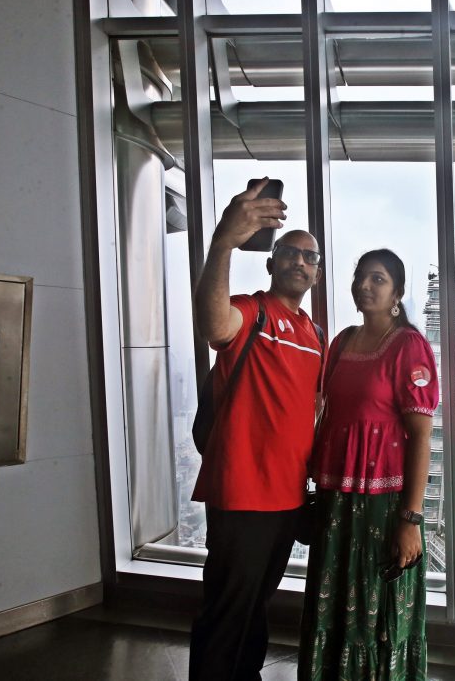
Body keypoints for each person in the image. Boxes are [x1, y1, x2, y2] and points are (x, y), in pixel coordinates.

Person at [188, 178, 325, 681]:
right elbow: (214, 326)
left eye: (310, 258)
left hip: (287, 498)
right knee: (227, 610)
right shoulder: (254, 311)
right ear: (271, 262)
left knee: (256, 606)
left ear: (316, 273)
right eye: (290, 252)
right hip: (242, 493)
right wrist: (224, 240)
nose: (300, 262)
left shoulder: (315, 335)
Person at [298, 249, 438, 681]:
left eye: (378, 279)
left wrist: (410, 519)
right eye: (361, 278)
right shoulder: (340, 342)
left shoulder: (408, 347)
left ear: (398, 292)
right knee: (334, 601)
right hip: (336, 501)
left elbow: (421, 437)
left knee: (377, 610)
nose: (365, 286)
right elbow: (326, 413)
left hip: (383, 503)